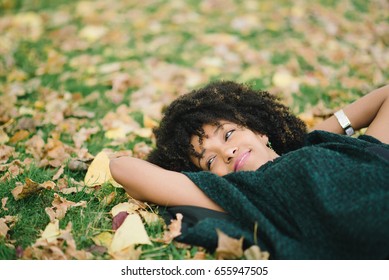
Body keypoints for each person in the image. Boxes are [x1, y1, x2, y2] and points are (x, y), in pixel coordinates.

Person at [109, 81, 389, 259]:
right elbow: (121, 167)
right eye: (209, 161)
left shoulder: (330, 147)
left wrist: (298, 140)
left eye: (228, 135)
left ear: (258, 129)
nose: (227, 153)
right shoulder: (243, 193)